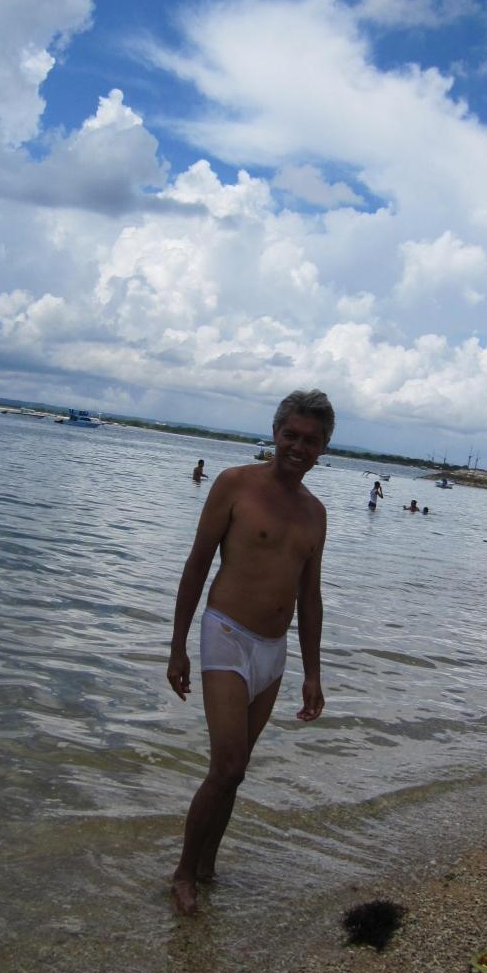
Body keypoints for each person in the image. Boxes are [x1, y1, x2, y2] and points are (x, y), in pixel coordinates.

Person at [166, 388, 333, 915]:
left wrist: (313, 673)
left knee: (237, 771)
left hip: (273, 651)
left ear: (323, 447)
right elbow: (197, 564)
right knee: (229, 763)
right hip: (227, 634)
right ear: (275, 433)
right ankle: (183, 873)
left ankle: (208, 867)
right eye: (291, 435)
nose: (298, 447)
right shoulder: (235, 484)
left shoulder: (315, 513)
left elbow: (310, 597)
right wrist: (177, 647)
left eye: (310, 440)